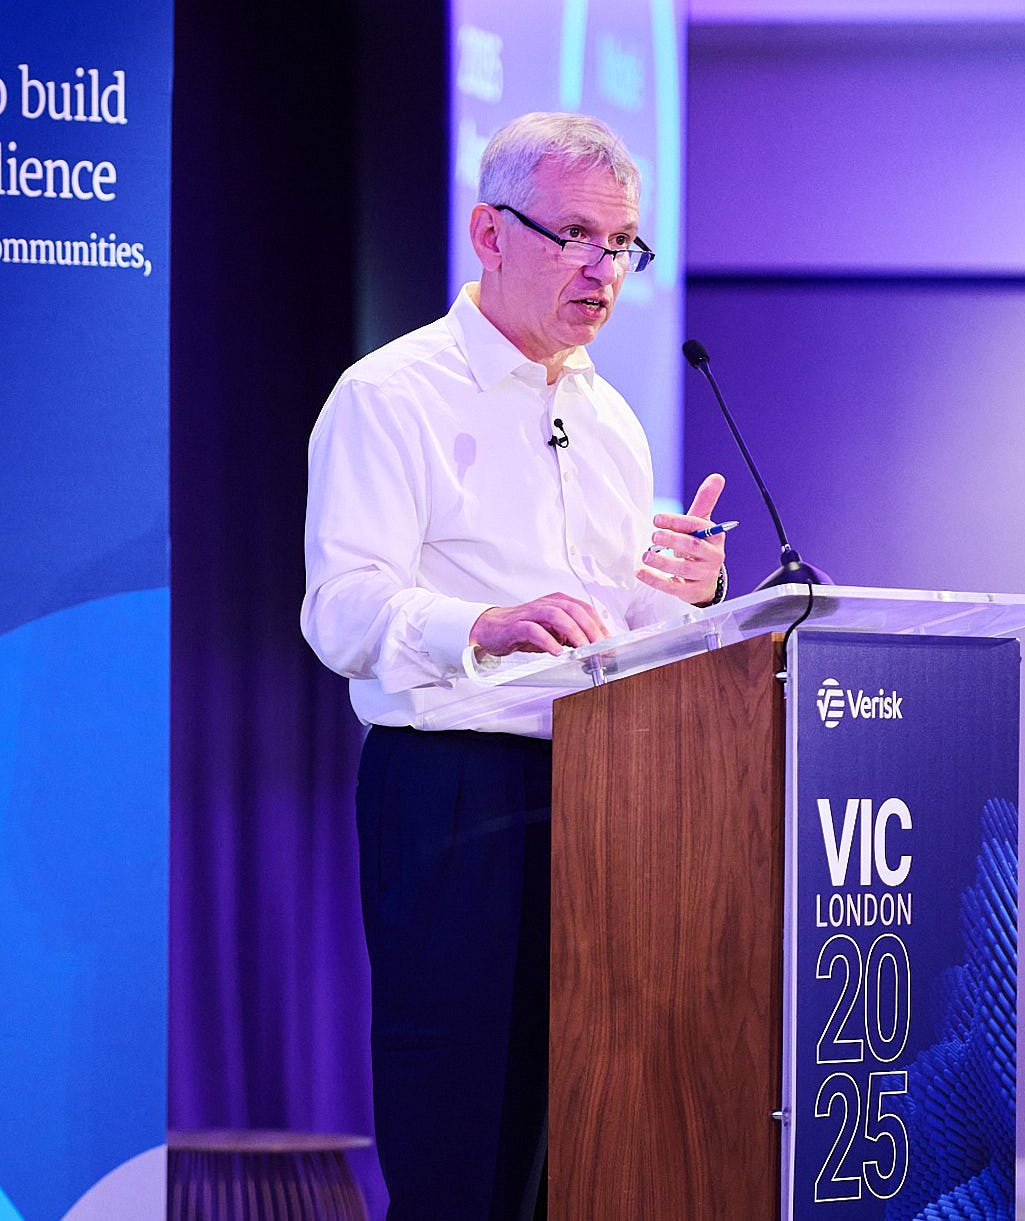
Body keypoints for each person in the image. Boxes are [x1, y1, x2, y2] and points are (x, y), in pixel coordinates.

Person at [300, 112, 729, 1220]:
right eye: (576, 235)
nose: (603, 270)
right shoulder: (390, 396)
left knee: (580, 1119)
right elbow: (340, 613)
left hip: (603, 794)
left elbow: (607, 622)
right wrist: (480, 625)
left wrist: (685, 595)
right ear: (488, 232)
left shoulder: (608, 417)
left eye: (624, 245)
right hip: (453, 791)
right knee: (457, 1126)